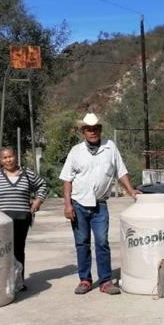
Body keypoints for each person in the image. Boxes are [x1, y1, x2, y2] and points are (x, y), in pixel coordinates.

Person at [59, 113, 140, 295]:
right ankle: (85, 280)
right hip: (78, 204)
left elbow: (121, 172)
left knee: (102, 242)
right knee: (82, 243)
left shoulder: (110, 148)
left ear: (100, 130)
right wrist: (67, 205)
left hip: (100, 205)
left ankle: (105, 282)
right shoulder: (76, 151)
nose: (93, 132)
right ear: (83, 132)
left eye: (95, 129)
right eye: (89, 129)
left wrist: (131, 191)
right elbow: (67, 179)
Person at [0, 146, 48, 290]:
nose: (8, 160)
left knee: (18, 249)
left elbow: (42, 185)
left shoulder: (27, 173)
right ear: (1, 160)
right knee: (1, 251)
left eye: (10, 156)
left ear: (16, 156)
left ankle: (18, 282)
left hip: (22, 219)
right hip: (1, 222)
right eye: (4, 158)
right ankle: (1, 282)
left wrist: (38, 200)